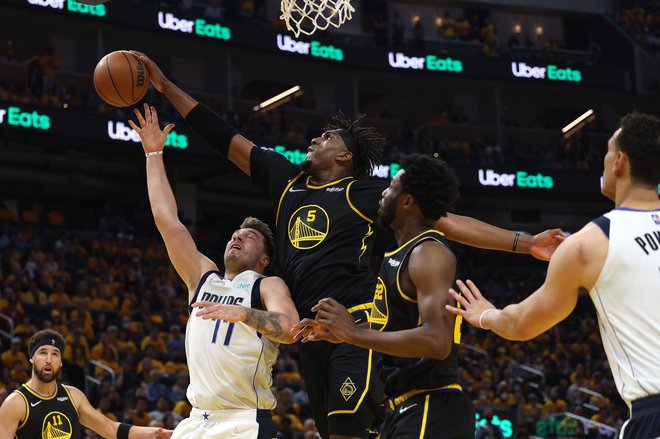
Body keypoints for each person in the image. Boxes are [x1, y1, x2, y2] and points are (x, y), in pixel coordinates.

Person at [131, 50, 565, 439]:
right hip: (309, 334)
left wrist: (526, 243)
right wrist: (165, 86)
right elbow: (222, 136)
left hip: (353, 324)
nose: (315, 139)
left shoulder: (364, 193)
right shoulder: (286, 182)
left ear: (345, 158)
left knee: (346, 431)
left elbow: (445, 221)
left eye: (328, 138)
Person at [446, 112, 660, 438]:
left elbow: (521, 324)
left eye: (605, 152)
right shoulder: (587, 243)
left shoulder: (590, 244)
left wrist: (486, 314)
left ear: (619, 161)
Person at [128, 104, 299, 438]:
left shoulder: (266, 285)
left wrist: (244, 314)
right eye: (236, 234)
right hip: (196, 421)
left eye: (249, 238)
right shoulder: (203, 275)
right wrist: (153, 154)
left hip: (244, 421)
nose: (237, 237)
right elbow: (168, 222)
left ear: (264, 259)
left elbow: (290, 328)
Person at [292, 154, 475, 438]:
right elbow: (390, 328)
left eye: (391, 187)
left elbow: (438, 341)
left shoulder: (428, 253)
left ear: (407, 201)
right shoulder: (400, 255)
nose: (383, 192)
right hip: (406, 407)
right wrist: (340, 332)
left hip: (433, 405)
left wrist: (353, 334)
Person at [0, 329, 172, 439]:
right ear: (31, 359)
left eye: (55, 354)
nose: (48, 359)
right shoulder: (15, 403)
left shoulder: (73, 396)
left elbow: (110, 429)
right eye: (42, 353)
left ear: (60, 362)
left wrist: (152, 433)